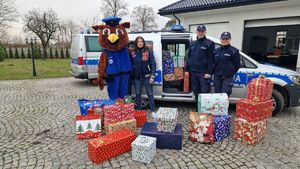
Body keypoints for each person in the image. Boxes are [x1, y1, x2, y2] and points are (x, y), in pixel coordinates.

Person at [186, 24, 215, 100]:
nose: (200, 33)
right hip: (193, 72)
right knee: (195, 90)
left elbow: (211, 59)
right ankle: (198, 108)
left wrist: (209, 72)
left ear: (205, 32)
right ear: (196, 32)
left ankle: (204, 110)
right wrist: (187, 70)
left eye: (202, 31)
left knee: (204, 91)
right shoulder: (192, 43)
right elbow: (189, 57)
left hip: (203, 73)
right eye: (199, 31)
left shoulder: (210, 43)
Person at [130, 36, 156, 113]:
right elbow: (131, 65)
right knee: (138, 93)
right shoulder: (133, 53)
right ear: (136, 43)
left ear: (143, 42)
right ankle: (139, 109)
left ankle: (152, 110)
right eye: (138, 42)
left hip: (147, 77)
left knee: (150, 94)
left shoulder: (148, 51)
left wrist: (152, 76)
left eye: (141, 41)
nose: (140, 43)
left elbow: (153, 64)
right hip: (137, 77)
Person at [213, 32, 241, 97]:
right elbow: (213, 63)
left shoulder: (234, 51)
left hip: (228, 78)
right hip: (217, 77)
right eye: (223, 38)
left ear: (230, 39)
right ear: (220, 39)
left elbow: (237, 65)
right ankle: (218, 107)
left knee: (225, 95)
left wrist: (230, 73)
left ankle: (225, 107)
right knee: (217, 95)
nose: (224, 40)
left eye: (226, 39)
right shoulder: (216, 51)